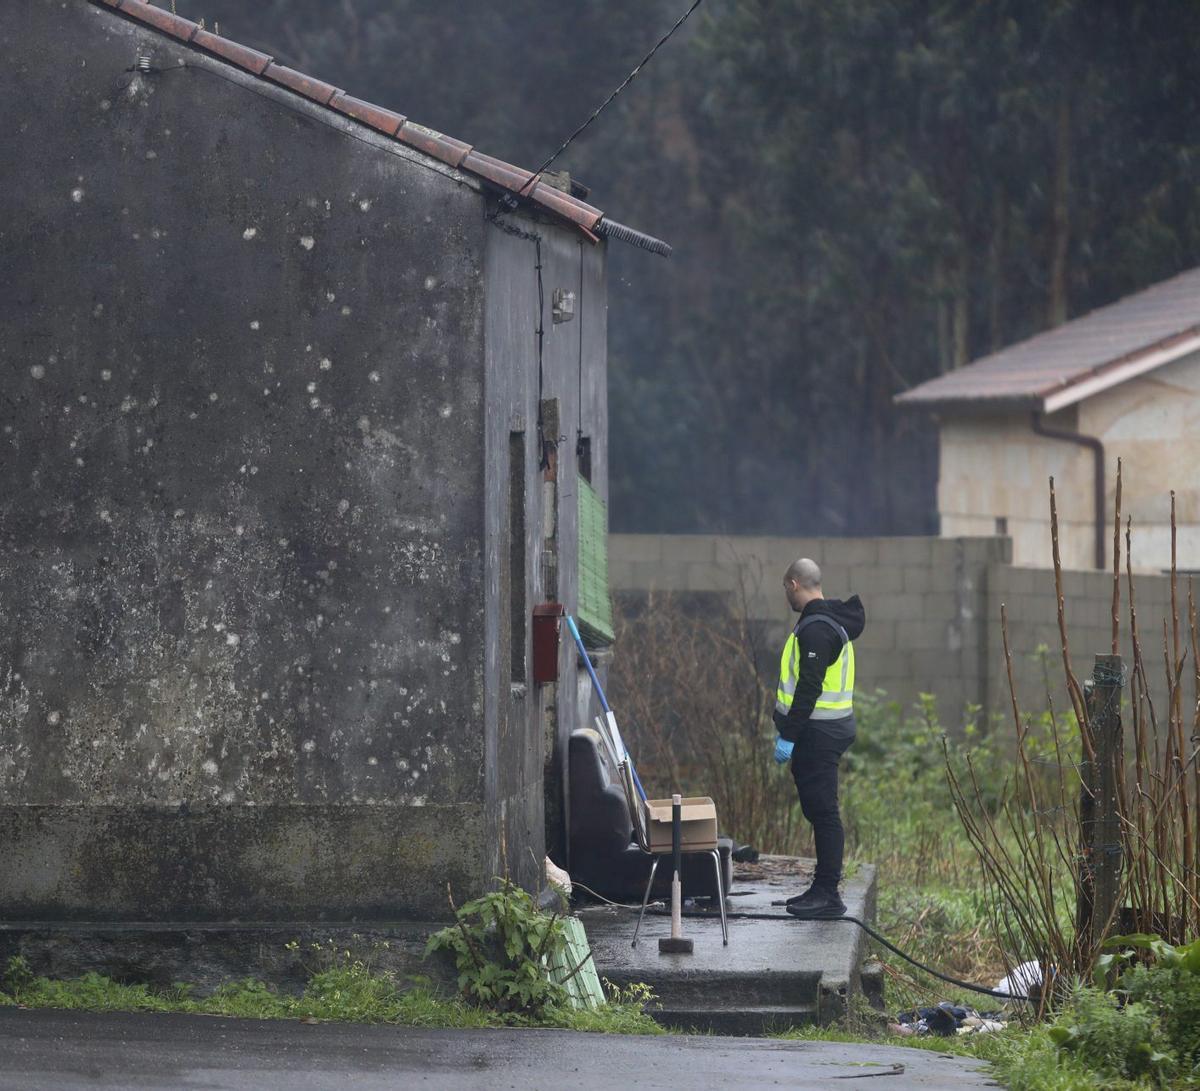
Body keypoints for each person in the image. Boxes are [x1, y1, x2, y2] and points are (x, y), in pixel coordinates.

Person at [772, 557, 865, 919]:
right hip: (825, 729)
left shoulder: (816, 629)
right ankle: (822, 889)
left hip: (819, 732)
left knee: (824, 812)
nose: (786, 596)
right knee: (819, 809)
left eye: (786, 589)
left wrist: (789, 735)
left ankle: (828, 894)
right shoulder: (828, 621)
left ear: (794, 584)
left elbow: (809, 686)